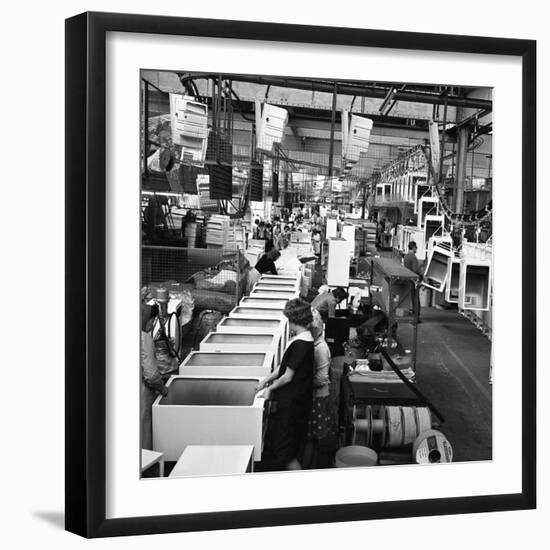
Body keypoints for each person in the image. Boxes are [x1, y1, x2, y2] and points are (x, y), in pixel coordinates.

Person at [256, 298, 315, 470]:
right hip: (292, 401)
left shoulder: (301, 344)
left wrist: (271, 388)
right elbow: (282, 368)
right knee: (285, 448)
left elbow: (287, 377)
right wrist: (264, 382)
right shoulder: (303, 339)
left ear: (294, 320)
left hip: (293, 404)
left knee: (285, 452)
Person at [302, 308, 334, 469]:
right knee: (311, 437)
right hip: (314, 395)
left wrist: (301, 383)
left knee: (311, 437)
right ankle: (310, 466)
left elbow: (322, 378)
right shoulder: (314, 344)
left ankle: (308, 469)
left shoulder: (321, 349)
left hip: (318, 397)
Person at [140, 304, 168, 450]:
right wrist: (163, 390)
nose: (152, 324)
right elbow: (151, 375)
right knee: (142, 432)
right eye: (152, 321)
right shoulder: (144, 338)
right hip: (141, 394)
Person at [403, 241, 424, 322]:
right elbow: (415, 269)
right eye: (416, 247)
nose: (417, 249)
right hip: (414, 280)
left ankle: (414, 316)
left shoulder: (406, 256)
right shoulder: (413, 257)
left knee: (412, 298)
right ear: (414, 247)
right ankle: (417, 317)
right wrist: (421, 275)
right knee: (416, 299)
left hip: (408, 279)